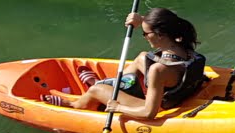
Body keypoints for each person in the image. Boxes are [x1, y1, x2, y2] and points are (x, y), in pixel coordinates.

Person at [48, 8, 209, 120]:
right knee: (142, 57)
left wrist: (117, 107)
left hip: (162, 104)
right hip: (180, 86)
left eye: (145, 33)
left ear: (160, 35)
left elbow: (149, 113)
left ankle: (76, 103)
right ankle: (111, 85)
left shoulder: (158, 70)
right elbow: (164, 23)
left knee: (96, 90)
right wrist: (143, 20)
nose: (144, 36)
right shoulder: (182, 43)